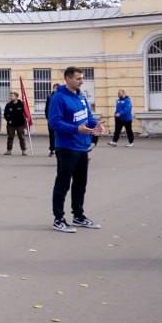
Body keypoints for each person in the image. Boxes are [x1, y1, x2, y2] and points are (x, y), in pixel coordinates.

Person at [47, 66, 104, 233]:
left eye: (81, 78)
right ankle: (58, 219)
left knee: (80, 183)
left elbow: (88, 118)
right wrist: (76, 129)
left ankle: (78, 215)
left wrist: (96, 125)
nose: (82, 81)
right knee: (63, 183)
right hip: (66, 147)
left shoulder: (81, 95)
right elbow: (54, 123)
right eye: (78, 78)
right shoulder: (59, 98)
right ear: (68, 79)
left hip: (82, 146)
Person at [3, 91, 29, 156]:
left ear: (16, 97)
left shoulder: (22, 104)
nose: (11, 97)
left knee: (21, 137)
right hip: (11, 125)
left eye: (12, 96)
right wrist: (8, 120)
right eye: (10, 96)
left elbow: (26, 113)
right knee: (10, 137)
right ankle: (9, 150)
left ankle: (23, 150)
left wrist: (26, 120)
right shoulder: (8, 105)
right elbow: (5, 114)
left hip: (20, 124)